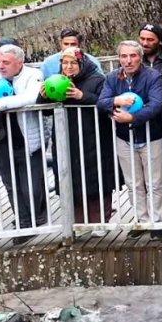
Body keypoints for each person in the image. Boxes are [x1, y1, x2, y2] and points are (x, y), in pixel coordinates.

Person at [97, 40, 162, 233]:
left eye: (133, 56)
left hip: (151, 136)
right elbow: (101, 102)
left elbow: (155, 104)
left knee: (154, 181)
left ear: (140, 57)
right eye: (124, 56)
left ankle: (157, 221)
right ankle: (141, 219)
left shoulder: (153, 76)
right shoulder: (112, 77)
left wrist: (132, 117)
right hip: (124, 138)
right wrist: (116, 100)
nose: (128, 61)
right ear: (119, 58)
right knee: (133, 182)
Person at [0, 43, 48, 230]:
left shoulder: (33, 75)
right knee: (11, 186)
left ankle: (37, 215)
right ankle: (23, 222)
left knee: (32, 187)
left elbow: (30, 97)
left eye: (6, 62)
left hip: (27, 141)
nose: (1, 66)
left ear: (20, 63)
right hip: (1, 141)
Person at [52, 47, 116, 225]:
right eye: (65, 63)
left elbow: (106, 103)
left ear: (82, 64)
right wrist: (44, 96)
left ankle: (100, 220)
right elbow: (42, 109)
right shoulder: (57, 80)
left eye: (73, 63)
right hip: (67, 138)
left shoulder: (97, 79)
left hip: (94, 138)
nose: (69, 67)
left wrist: (83, 96)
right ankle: (78, 222)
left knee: (97, 180)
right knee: (70, 180)